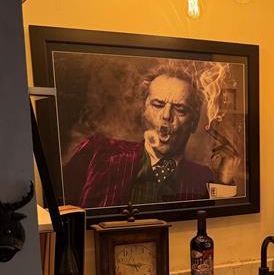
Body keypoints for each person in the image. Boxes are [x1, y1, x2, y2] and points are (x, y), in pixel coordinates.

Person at [63, 65, 239, 208]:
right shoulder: (98, 153)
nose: (166, 116)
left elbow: (220, 224)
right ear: (143, 111)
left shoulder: (202, 177)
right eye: (158, 104)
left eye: (180, 109)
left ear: (194, 122)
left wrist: (225, 181)